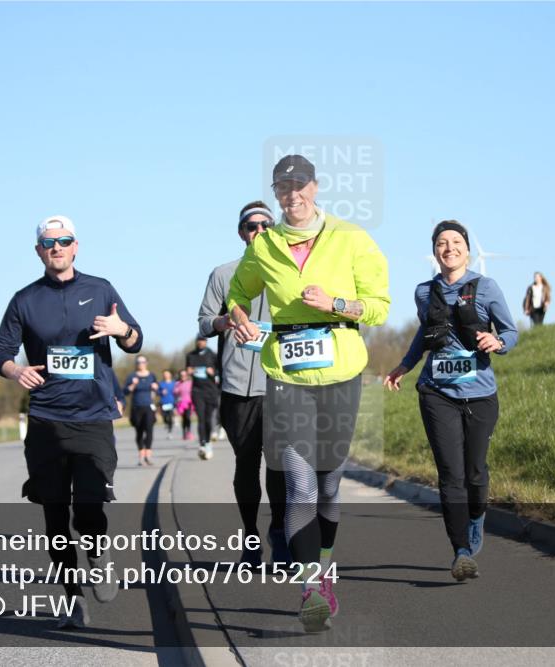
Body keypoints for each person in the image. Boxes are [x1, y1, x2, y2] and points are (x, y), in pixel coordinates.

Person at [228, 155, 390, 632]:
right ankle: (311, 587)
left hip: (341, 374)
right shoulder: (265, 246)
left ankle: (324, 567)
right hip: (288, 377)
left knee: (329, 486)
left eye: (299, 185)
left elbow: (379, 307)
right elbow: (237, 294)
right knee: (299, 485)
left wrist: (337, 304)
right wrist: (238, 318)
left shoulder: (352, 238)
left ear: (315, 188)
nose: (291, 194)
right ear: (276, 193)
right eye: (282, 187)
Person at [0, 215, 143, 629]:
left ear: (76, 246)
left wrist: (121, 329)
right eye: (48, 242)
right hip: (45, 419)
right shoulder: (24, 299)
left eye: (65, 240)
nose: (57, 247)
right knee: (55, 519)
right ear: (39, 251)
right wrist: (14, 371)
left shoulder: (101, 289)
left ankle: (98, 552)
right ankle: (73, 599)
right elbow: (0, 353)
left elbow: (135, 339)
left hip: (93, 416)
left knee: (89, 507)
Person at [384, 221, 518, 582]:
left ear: (467, 249)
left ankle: (476, 517)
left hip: (481, 394)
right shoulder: (424, 292)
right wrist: (404, 366)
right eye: (442, 243)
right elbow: (423, 335)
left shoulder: (486, 287)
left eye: (456, 242)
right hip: (436, 392)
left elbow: (510, 331)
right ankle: (460, 551)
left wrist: (498, 343)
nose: (449, 248)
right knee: (451, 474)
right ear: (435, 251)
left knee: (475, 473)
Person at [197, 200, 288, 566]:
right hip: (238, 387)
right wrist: (224, 323)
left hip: (281, 382)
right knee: (246, 464)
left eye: (266, 225)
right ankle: (250, 538)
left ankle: (280, 537)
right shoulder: (223, 274)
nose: (259, 231)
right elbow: (204, 321)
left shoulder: (289, 273)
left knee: (280, 465)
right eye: (252, 226)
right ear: (241, 232)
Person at [186, 335, 219, 460]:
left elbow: (220, 371)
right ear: (196, 342)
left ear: (206, 341)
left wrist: (214, 373)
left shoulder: (212, 355)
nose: (201, 343)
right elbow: (187, 369)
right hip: (197, 391)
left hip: (211, 391)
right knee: (200, 418)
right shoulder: (190, 355)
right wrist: (188, 372)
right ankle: (202, 444)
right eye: (199, 341)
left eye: (203, 341)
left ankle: (208, 443)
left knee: (208, 419)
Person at [124, 355, 158, 466]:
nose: (140, 364)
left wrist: (156, 387)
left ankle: (148, 455)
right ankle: (141, 456)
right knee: (139, 431)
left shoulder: (152, 375)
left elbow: (158, 390)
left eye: (143, 362)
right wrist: (133, 385)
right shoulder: (132, 376)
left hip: (148, 407)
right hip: (136, 407)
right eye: (138, 362)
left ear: (146, 363)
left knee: (149, 431)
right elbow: (125, 391)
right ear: (136, 364)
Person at [174, 369, 194, 441]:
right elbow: (175, 392)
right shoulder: (177, 383)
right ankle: (184, 433)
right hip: (181, 404)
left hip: (189, 402)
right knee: (184, 418)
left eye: (184, 375)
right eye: (181, 375)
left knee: (188, 417)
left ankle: (189, 432)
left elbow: (193, 392)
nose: (183, 376)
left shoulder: (190, 383)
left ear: (187, 375)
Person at [157, 370, 177, 438]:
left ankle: (170, 432)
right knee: (164, 417)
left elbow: (177, 392)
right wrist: (161, 392)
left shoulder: (174, 383)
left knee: (170, 417)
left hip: (171, 402)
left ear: (170, 375)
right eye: (164, 374)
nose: (166, 375)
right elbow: (157, 392)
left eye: (167, 374)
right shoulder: (161, 384)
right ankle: (166, 423)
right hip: (163, 402)